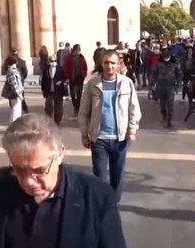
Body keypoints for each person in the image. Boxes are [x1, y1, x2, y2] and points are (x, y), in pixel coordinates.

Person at [0, 114, 128, 248]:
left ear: (60, 154)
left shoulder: (96, 196)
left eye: (39, 171)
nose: (28, 181)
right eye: (19, 169)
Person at [78, 49, 142, 202]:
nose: (109, 66)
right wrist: (84, 133)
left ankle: (113, 203)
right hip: (99, 138)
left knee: (117, 174)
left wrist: (131, 130)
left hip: (120, 138)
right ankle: (102, 203)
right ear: (102, 64)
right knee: (100, 174)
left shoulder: (126, 83)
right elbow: (83, 112)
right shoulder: (93, 84)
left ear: (118, 65)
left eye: (113, 63)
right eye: (106, 63)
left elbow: (134, 109)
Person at [152, 45, 182, 128]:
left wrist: (178, 85)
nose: (165, 54)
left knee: (170, 104)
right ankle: (164, 116)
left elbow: (179, 74)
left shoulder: (175, 62)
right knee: (162, 105)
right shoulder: (158, 62)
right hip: (160, 86)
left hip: (170, 86)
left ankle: (169, 120)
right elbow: (154, 74)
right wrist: (153, 84)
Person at [41, 54, 67, 125]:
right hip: (48, 90)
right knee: (48, 105)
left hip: (58, 90)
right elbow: (43, 80)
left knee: (58, 106)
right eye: (51, 61)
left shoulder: (60, 69)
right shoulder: (46, 69)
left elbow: (65, 77)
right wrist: (43, 90)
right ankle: (48, 119)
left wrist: (61, 81)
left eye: (54, 61)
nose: (53, 62)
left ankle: (57, 120)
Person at [64, 44, 88, 115]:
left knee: (79, 93)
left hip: (80, 78)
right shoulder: (69, 58)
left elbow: (85, 67)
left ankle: (77, 107)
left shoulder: (81, 57)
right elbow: (66, 68)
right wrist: (67, 77)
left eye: (79, 49)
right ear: (74, 50)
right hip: (72, 78)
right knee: (72, 93)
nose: (78, 51)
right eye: (77, 49)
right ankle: (75, 105)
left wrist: (84, 74)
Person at [4, 56, 25, 123]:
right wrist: (19, 95)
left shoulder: (13, 71)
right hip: (15, 94)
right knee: (15, 110)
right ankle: (13, 124)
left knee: (17, 110)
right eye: (15, 64)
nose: (16, 65)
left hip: (17, 93)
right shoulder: (11, 72)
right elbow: (14, 85)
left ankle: (15, 124)